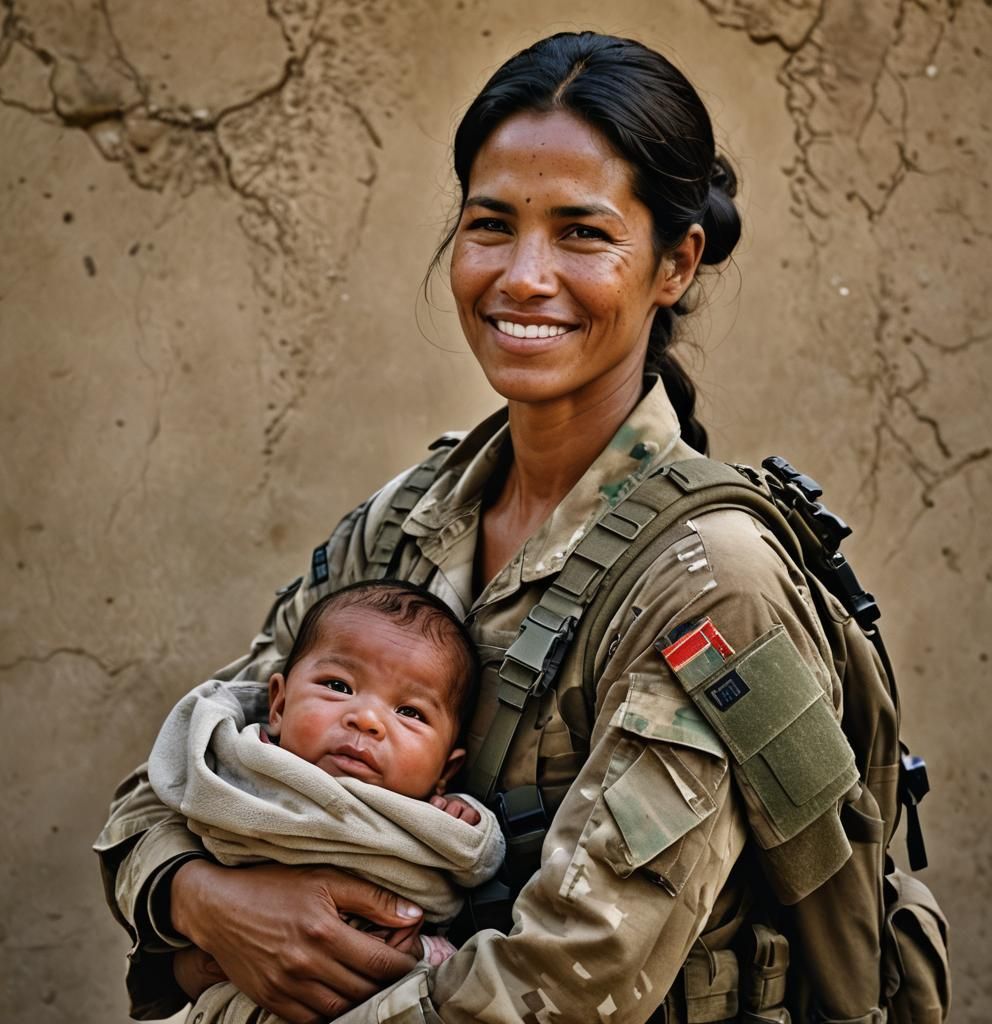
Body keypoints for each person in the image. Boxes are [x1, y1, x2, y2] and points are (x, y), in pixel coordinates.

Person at [95, 30, 861, 1024]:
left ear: (674, 263)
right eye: (491, 223)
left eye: (581, 233)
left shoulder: (712, 583)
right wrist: (203, 901)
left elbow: (571, 979)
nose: (522, 277)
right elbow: (166, 786)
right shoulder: (412, 521)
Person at [145, 580, 504, 1008]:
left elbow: (474, 858)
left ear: (446, 770)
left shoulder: (431, 821)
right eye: (338, 686)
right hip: (234, 986)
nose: (367, 719)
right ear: (277, 706)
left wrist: (469, 822)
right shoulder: (238, 762)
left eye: (409, 712)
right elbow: (168, 799)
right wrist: (193, 897)